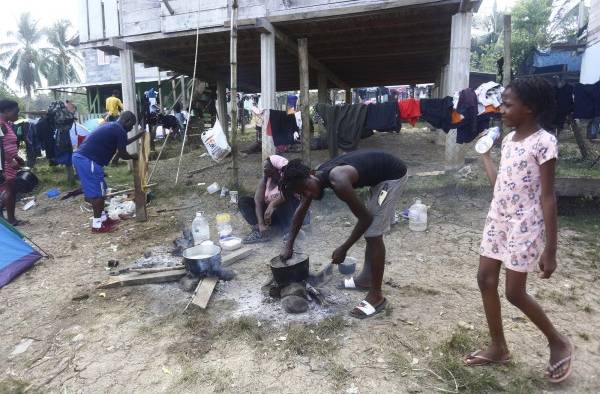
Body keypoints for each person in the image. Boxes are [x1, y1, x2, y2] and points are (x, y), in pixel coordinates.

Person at [464, 77, 573, 384]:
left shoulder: (545, 143)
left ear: (530, 108)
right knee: (484, 279)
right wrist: (485, 156)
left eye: (508, 104)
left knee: (514, 292)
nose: (501, 109)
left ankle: (558, 341)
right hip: (498, 218)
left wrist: (551, 249)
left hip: (525, 224)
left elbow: (548, 196)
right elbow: (502, 185)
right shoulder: (509, 141)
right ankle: (498, 347)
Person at [279, 149, 408, 319]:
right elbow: (300, 212)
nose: (307, 194)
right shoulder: (313, 178)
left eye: (306, 189)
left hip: (391, 176)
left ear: (311, 174)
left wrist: (344, 248)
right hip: (378, 177)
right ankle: (366, 279)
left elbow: (366, 218)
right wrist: (289, 245)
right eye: (302, 193)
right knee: (371, 231)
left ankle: (376, 296)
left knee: (373, 233)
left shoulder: (338, 180)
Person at [72, 111, 145, 233]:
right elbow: (122, 153)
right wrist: (134, 157)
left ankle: (104, 219)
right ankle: (97, 226)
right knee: (97, 195)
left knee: (102, 190)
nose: (132, 128)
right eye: (131, 125)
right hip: (88, 160)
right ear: (126, 121)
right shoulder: (119, 130)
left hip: (84, 159)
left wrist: (138, 136)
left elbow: (122, 143)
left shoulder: (112, 126)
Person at [238, 155, 300, 244]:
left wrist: (272, 204)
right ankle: (260, 231)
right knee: (244, 201)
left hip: (289, 214)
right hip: (270, 216)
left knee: (285, 201)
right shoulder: (266, 179)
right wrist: (261, 224)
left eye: (266, 166)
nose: (264, 169)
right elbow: (258, 201)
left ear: (275, 168)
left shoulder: (288, 178)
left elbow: (287, 193)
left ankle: (289, 232)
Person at [0, 100, 26, 226]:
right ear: (6, 111)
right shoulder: (1, 125)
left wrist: (17, 157)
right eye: (16, 112)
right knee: (8, 190)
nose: (17, 115)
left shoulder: (6, 124)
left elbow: (7, 144)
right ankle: (7, 221)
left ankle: (11, 220)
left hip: (8, 162)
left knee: (11, 190)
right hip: (4, 163)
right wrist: (11, 161)